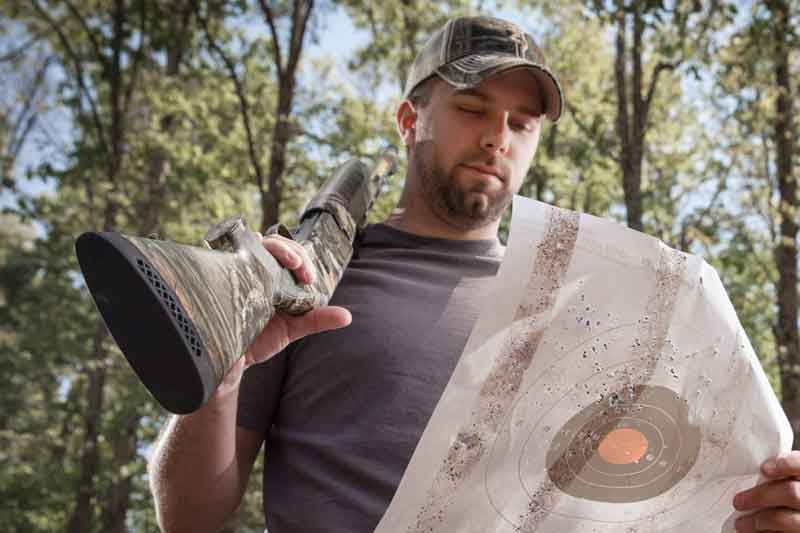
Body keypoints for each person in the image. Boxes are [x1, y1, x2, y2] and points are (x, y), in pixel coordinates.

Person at [147, 15, 800, 533]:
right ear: (411, 119)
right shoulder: (304, 281)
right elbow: (188, 517)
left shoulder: (578, 309)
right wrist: (222, 370)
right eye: (472, 109)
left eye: (521, 123)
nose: (498, 137)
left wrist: (755, 502)